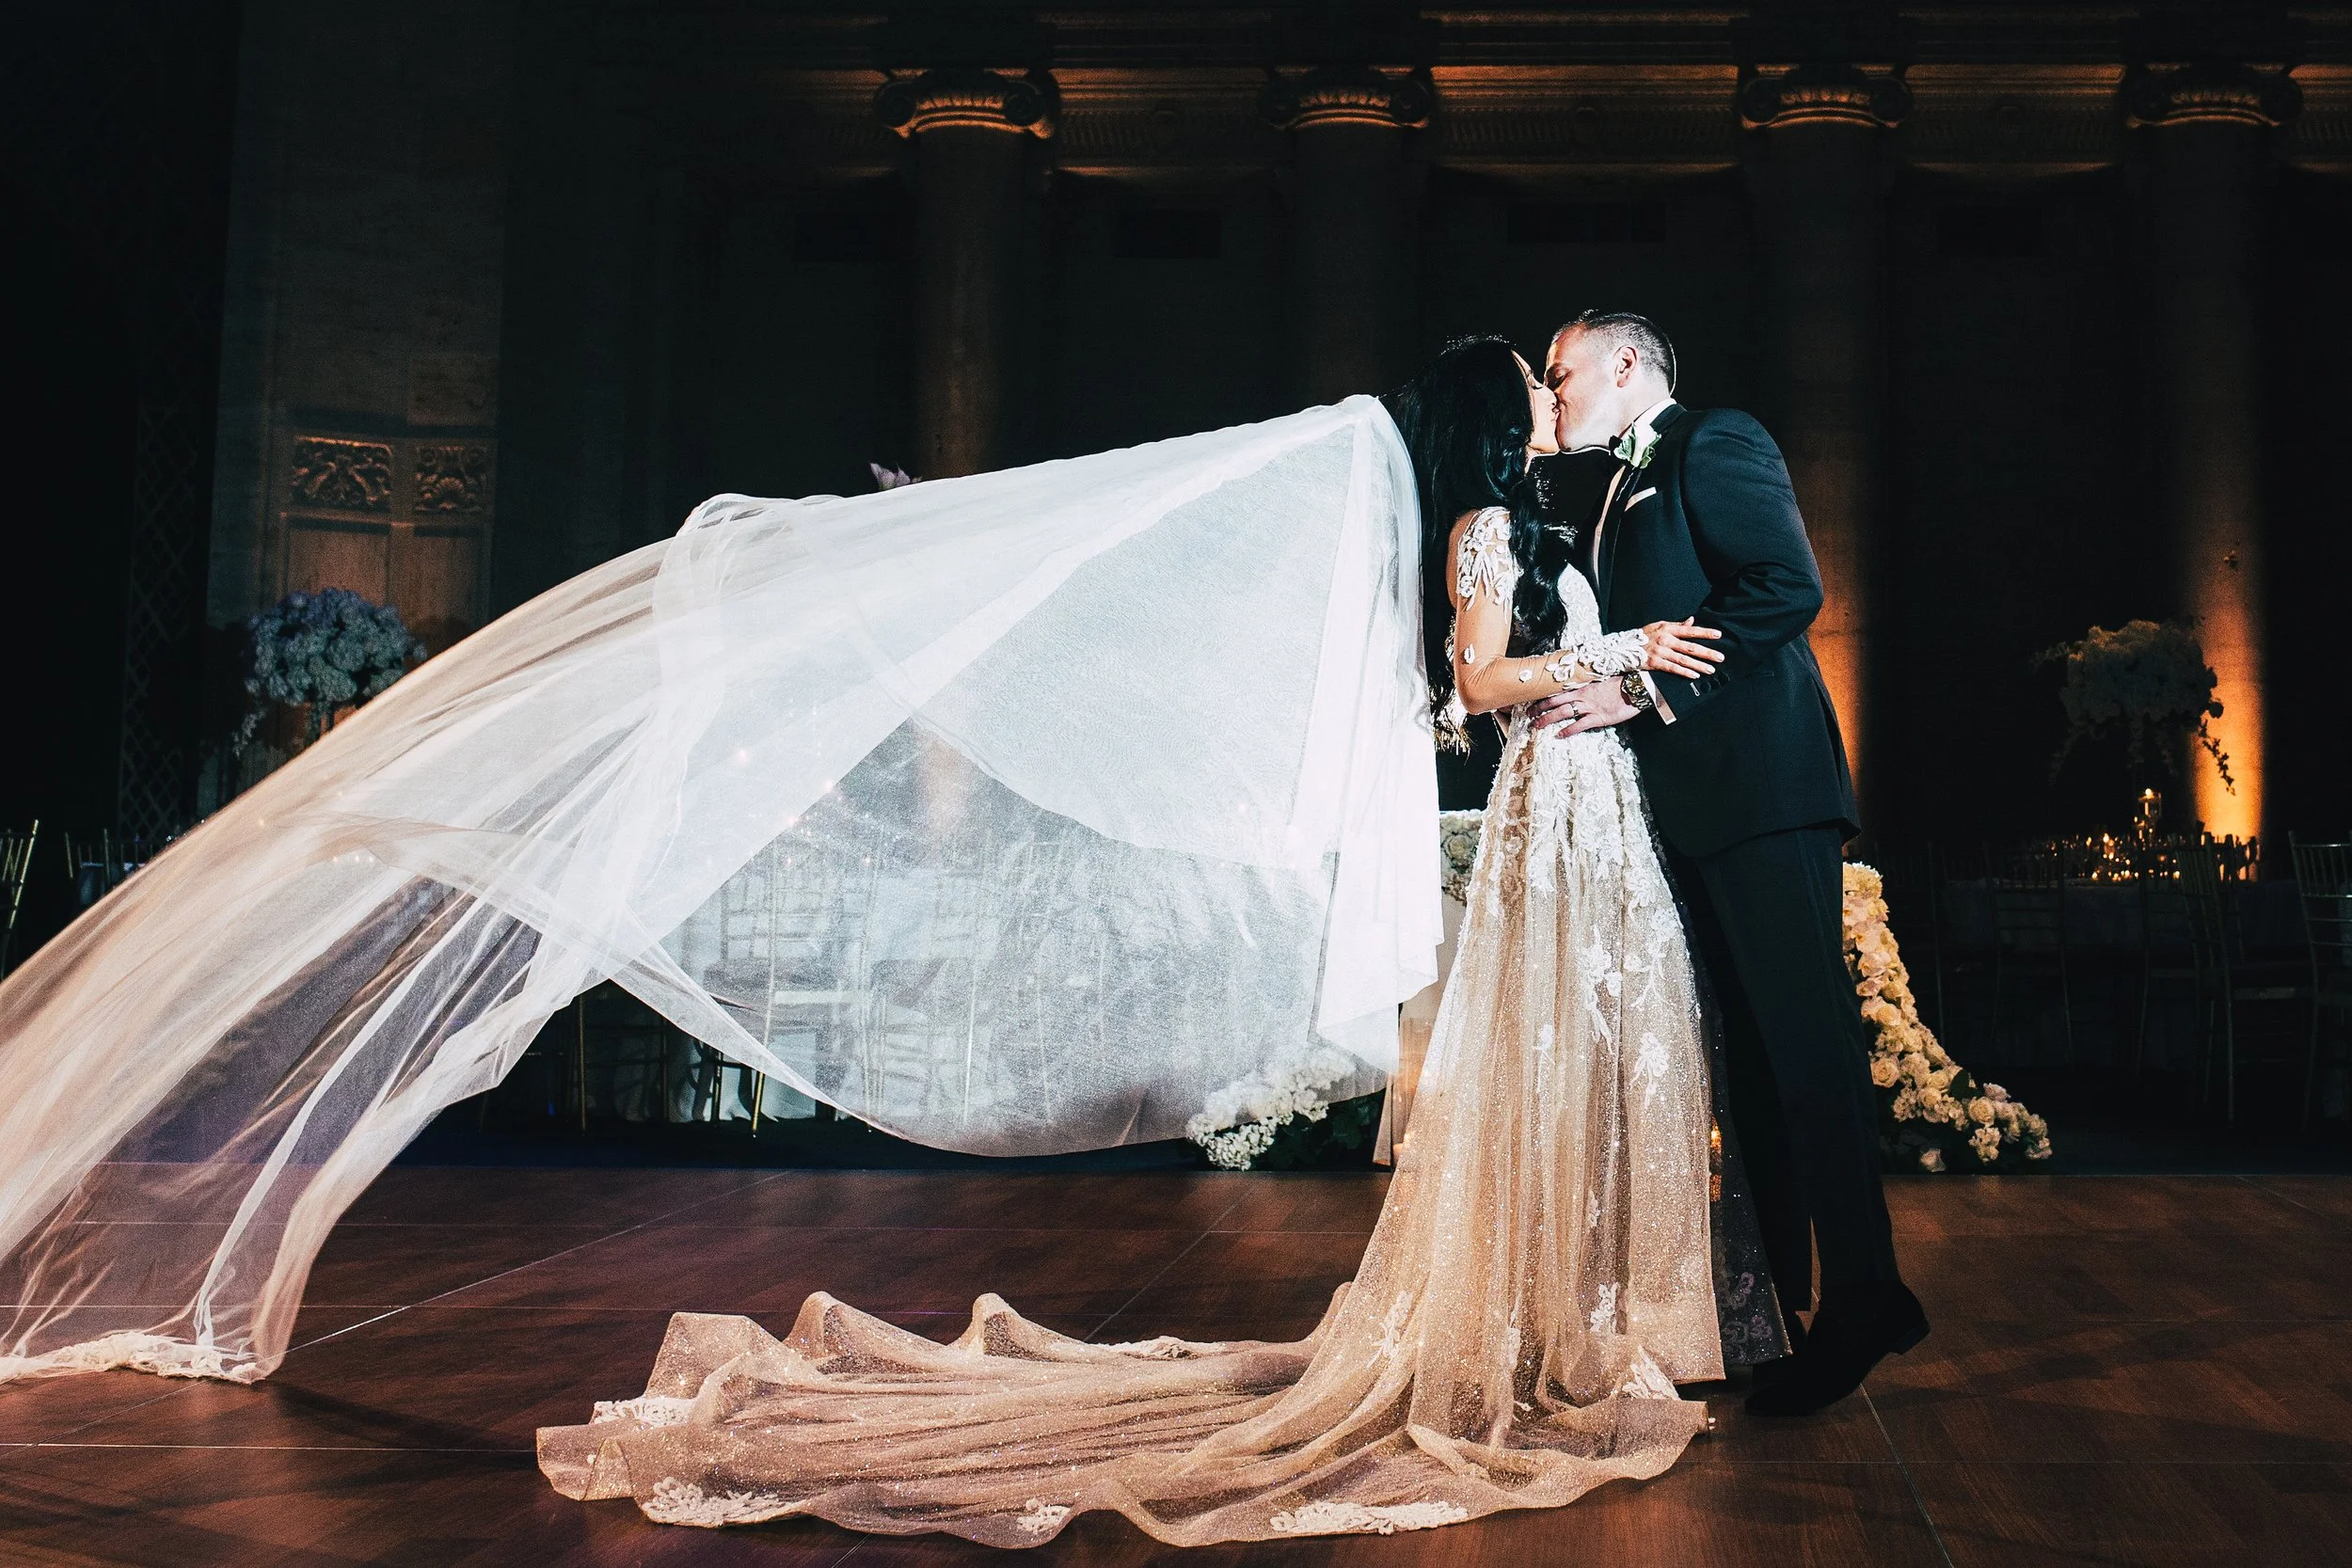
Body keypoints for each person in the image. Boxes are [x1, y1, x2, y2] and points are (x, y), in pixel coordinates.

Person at [531, 339, 1748, 1543]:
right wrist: (1627, 647)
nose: (1547, 388)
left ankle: (1572, 1318)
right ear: (1492, 410)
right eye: (1532, 377)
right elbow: (1478, 681)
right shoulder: (1479, 525)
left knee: (1585, 1051)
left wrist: (1620, 669)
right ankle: (1528, 1331)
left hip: (1590, 798)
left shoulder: (1528, 519)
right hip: (1553, 795)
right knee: (1545, 1047)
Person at [1533, 310, 1927, 1418]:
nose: (1554, 392)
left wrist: (1642, 688)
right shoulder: (1609, 485)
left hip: (1764, 789)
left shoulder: (1714, 439)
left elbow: (1782, 586)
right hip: (1691, 808)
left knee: (1806, 1049)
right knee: (1747, 1066)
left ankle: (1867, 1294)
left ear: (1624, 362)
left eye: (1562, 371)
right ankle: (1778, 1309)